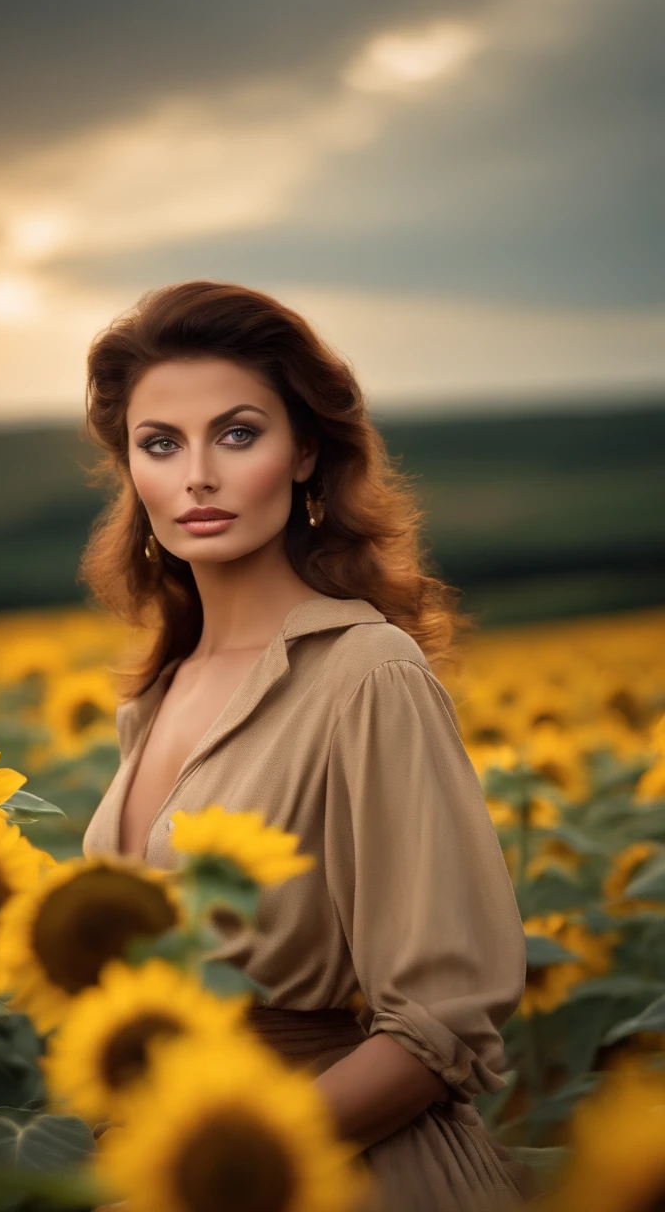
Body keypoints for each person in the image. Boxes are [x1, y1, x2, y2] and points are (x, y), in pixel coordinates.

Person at [80, 279, 535, 1212]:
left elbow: (436, 1027)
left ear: (305, 454)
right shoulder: (158, 692)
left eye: (237, 434)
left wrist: (222, 1165)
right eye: (160, 444)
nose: (197, 475)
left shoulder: (368, 671)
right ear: (132, 473)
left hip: (342, 1174)